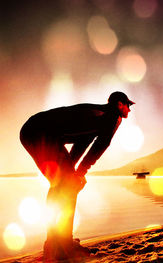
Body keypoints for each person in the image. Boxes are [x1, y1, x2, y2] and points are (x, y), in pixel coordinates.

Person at [20, 91, 134, 261]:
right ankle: (61, 245)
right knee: (66, 186)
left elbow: (83, 142)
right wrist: (80, 173)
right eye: (128, 105)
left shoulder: (96, 116)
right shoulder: (112, 116)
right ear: (119, 104)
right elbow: (101, 145)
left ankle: (56, 242)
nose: (129, 110)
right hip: (40, 133)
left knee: (62, 186)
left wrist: (74, 172)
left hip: (32, 130)